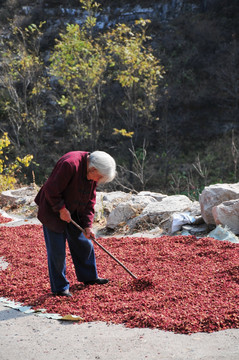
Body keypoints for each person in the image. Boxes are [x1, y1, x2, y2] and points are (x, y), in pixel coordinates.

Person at [35, 150, 116, 297]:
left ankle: (89, 277)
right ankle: (60, 288)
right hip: (52, 210)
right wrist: (61, 209)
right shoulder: (70, 164)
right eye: (98, 177)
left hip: (74, 210)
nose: (97, 181)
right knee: (57, 250)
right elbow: (51, 189)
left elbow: (90, 200)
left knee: (84, 243)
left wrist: (87, 225)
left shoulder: (92, 173)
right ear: (93, 169)